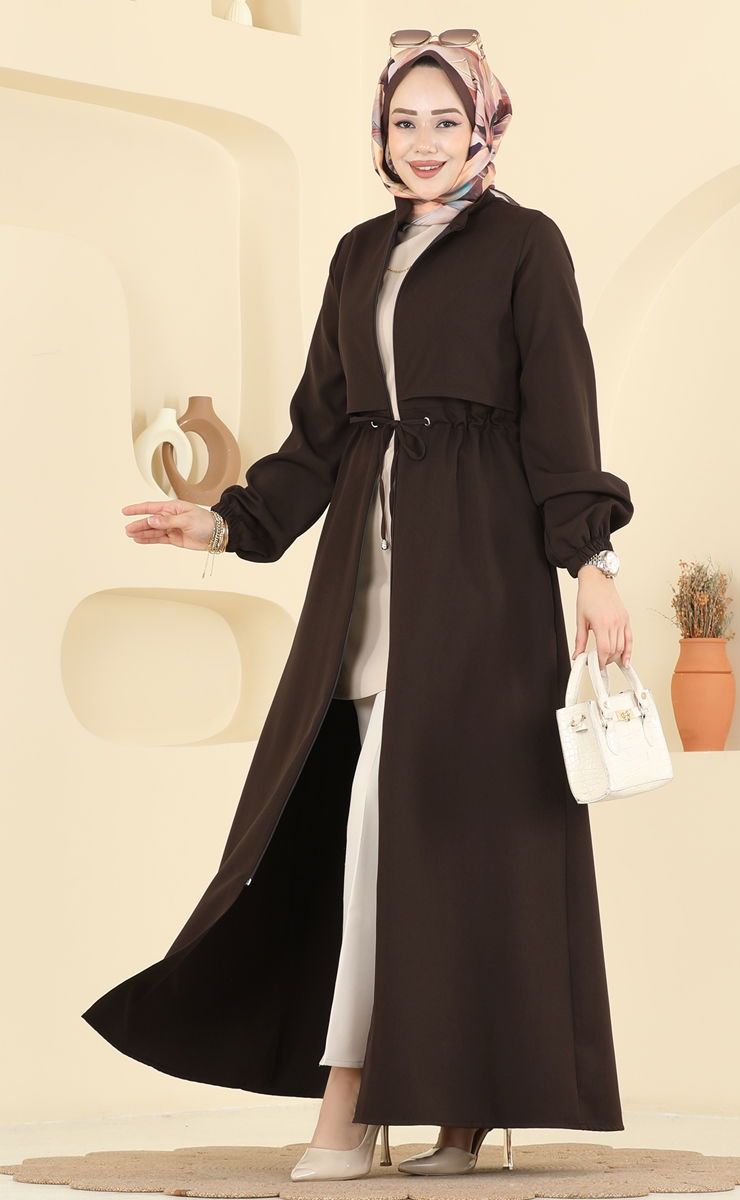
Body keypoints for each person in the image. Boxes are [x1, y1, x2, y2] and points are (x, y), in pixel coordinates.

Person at [87, 28, 634, 1185]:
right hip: (364, 583)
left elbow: (560, 413)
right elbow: (320, 433)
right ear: (378, 136)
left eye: (445, 120)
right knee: (379, 829)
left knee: (431, 835)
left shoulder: (525, 246)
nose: (422, 142)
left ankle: (354, 1109)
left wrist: (589, 563)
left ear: (483, 128)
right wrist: (225, 524)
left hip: (478, 583)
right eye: (402, 122)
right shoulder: (355, 256)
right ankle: (436, 1109)